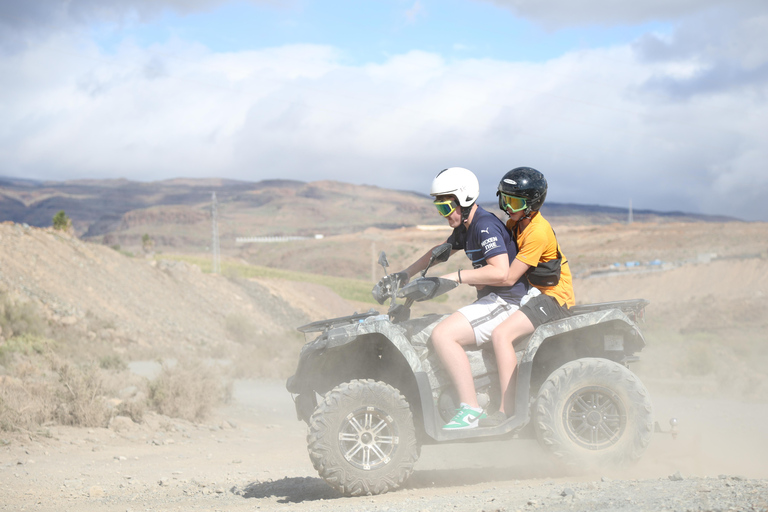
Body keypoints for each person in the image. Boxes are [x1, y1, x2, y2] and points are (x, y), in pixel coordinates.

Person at [379, 167, 529, 430]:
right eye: (439, 209)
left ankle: (471, 409)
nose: (444, 215)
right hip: (492, 300)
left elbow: (501, 270)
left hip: (507, 302)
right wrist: (405, 274)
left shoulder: (484, 226)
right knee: (433, 329)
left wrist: (456, 277)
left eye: (447, 208)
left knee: (443, 335)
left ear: (465, 200)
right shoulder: (467, 226)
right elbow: (439, 252)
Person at [479, 166, 576, 427]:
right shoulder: (515, 224)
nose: (507, 208)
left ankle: (506, 410)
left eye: (514, 202)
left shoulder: (537, 232)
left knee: (501, 335)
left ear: (532, 204)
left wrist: (465, 276)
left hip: (553, 297)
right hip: (533, 293)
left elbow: (508, 277)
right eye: (504, 199)